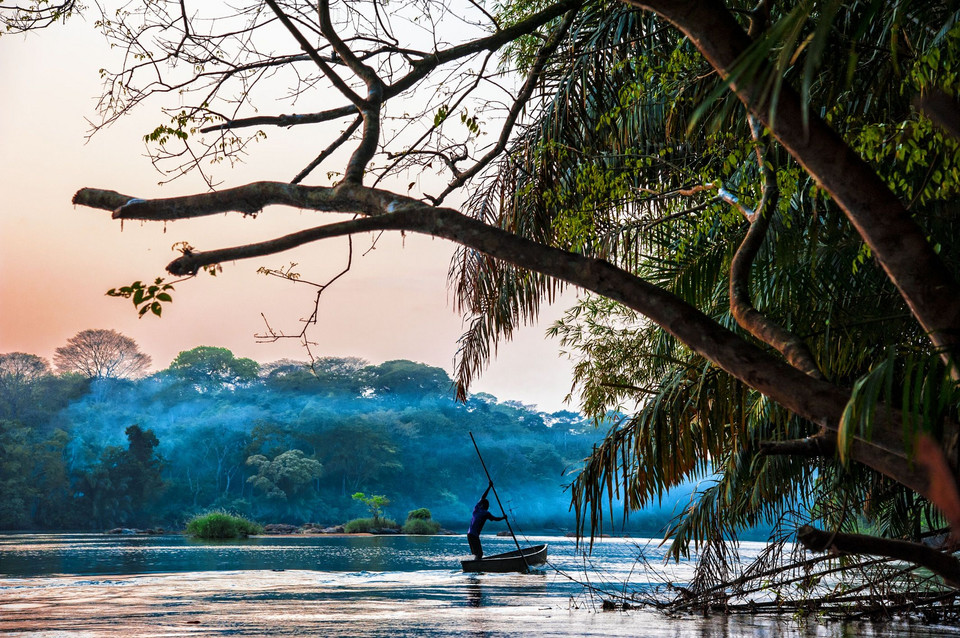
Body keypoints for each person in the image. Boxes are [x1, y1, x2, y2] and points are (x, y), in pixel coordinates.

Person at [467, 481, 507, 560]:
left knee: (476, 553)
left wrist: (489, 487)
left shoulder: (477, 508)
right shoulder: (485, 513)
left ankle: (474, 564)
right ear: (486, 506)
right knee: (480, 553)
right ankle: (476, 567)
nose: (488, 507)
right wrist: (503, 518)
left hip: (469, 534)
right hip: (474, 535)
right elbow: (495, 519)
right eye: (488, 505)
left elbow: (483, 497)